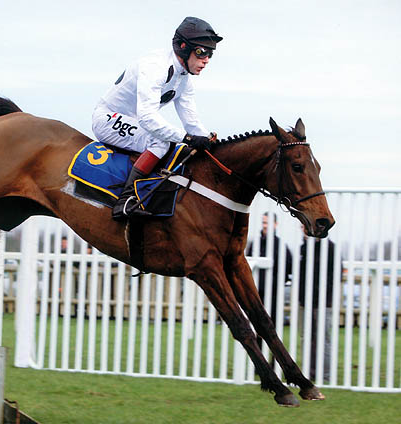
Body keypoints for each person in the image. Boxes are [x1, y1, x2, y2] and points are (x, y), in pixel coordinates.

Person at [92, 17, 222, 220]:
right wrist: (187, 138)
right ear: (182, 47)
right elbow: (148, 118)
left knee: (180, 145)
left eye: (210, 54)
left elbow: (192, 123)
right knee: (161, 141)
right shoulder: (155, 67)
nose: (206, 59)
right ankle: (125, 200)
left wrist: (210, 142)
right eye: (201, 52)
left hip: (132, 123)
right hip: (107, 119)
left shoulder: (184, 79)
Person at [246, 213, 293, 357]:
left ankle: (274, 361)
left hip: (273, 294)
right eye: (263, 222)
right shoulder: (255, 243)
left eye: (267, 223)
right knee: (257, 327)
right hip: (257, 293)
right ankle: (260, 359)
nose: (265, 226)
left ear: (275, 225)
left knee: (273, 328)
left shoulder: (280, 246)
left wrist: (276, 283)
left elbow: (287, 267)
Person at [298, 234, 340, 381]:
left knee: (323, 338)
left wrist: (322, 294)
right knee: (306, 338)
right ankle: (308, 372)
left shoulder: (330, 248)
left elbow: (335, 275)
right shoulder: (303, 248)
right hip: (305, 301)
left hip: (323, 302)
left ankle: (326, 374)